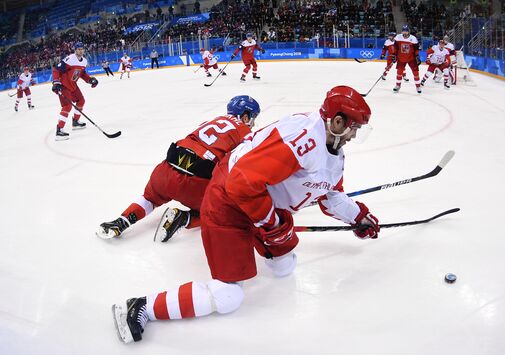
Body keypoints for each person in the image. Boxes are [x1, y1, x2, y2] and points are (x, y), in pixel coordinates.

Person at [112, 86, 380, 343]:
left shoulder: (332, 150)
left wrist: (358, 217)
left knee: (284, 267)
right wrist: (270, 224)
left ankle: (236, 230)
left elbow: (330, 194)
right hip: (227, 202)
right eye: (354, 127)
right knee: (228, 296)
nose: (354, 135)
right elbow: (240, 183)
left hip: (259, 202)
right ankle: (140, 307)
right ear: (337, 122)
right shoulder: (301, 141)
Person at [97, 96, 261, 242]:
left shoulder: (212, 120)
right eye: (252, 118)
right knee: (224, 211)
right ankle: (184, 218)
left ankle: (122, 221)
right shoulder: (245, 132)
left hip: (166, 170)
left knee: (150, 198)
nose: (252, 123)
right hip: (196, 183)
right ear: (245, 116)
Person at [51, 42, 98, 140]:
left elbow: (82, 73)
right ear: (75, 50)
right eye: (78, 49)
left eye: (82, 49)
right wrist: (56, 82)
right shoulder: (70, 59)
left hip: (73, 85)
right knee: (67, 106)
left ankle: (75, 122)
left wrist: (90, 80)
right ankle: (59, 130)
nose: (80, 51)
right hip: (63, 85)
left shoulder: (84, 61)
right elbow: (56, 70)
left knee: (81, 101)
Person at [393, 25, 422, 93]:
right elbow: (395, 47)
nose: (405, 33)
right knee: (399, 72)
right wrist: (394, 55)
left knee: (416, 73)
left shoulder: (413, 38)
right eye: (403, 31)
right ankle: (398, 85)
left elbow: (416, 49)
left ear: (408, 31)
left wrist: (417, 56)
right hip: (401, 58)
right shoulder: (398, 37)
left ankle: (418, 86)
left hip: (411, 58)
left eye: (406, 31)